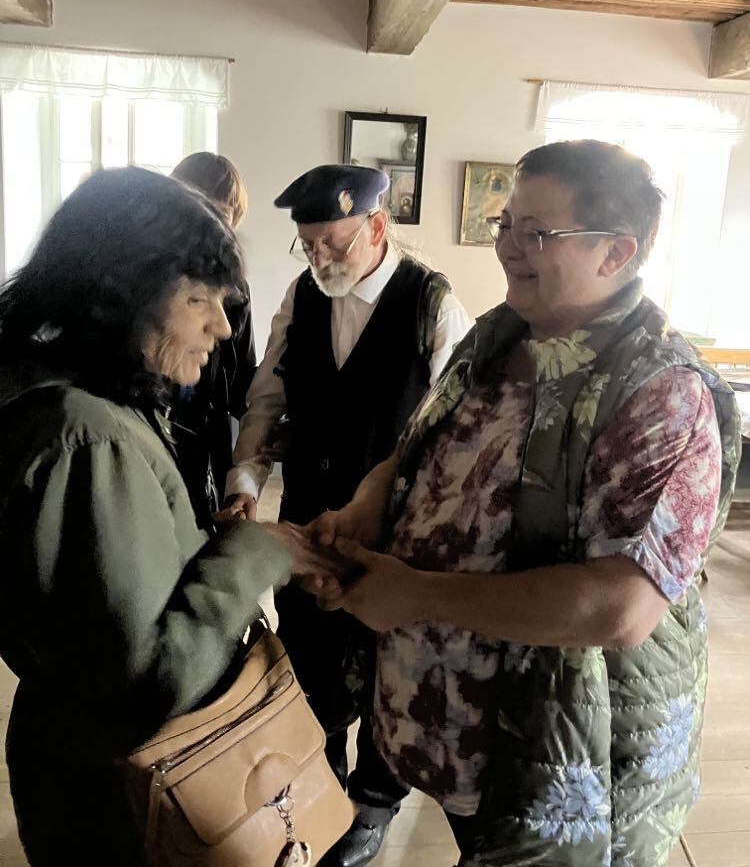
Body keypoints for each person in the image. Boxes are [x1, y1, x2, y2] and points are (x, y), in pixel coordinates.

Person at [312, 141, 741, 866]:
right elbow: (420, 455)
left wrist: (416, 594)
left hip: (556, 757)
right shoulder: (499, 333)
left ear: (616, 251)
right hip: (446, 727)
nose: (507, 247)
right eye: (506, 224)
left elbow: (622, 608)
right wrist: (368, 506)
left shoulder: (662, 391)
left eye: (537, 233)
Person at [0, 167, 338, 867]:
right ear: (117, 295)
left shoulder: (79, 396)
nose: (222, 326)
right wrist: (253, 552)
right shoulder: (87, 437)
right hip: (120, 802)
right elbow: (145, 685)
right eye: (196, 299)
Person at [221, 163, 471, 867]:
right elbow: (267, 398)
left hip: (396, 538)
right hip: (307, 521)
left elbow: (453, 437)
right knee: (309, 660)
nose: (319, 257)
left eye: (331, 242)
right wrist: (245, 479)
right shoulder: (302, 296)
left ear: (377, 226)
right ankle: (319, 784)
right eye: (308, 244)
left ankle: (374, 802)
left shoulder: (432, 304)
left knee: (391, 669)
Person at [170, 152, 256, 531]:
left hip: (208, 444)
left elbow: (242, 385)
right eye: (209, 212)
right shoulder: (150, 283)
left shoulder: (237, 291)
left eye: (226, 217)